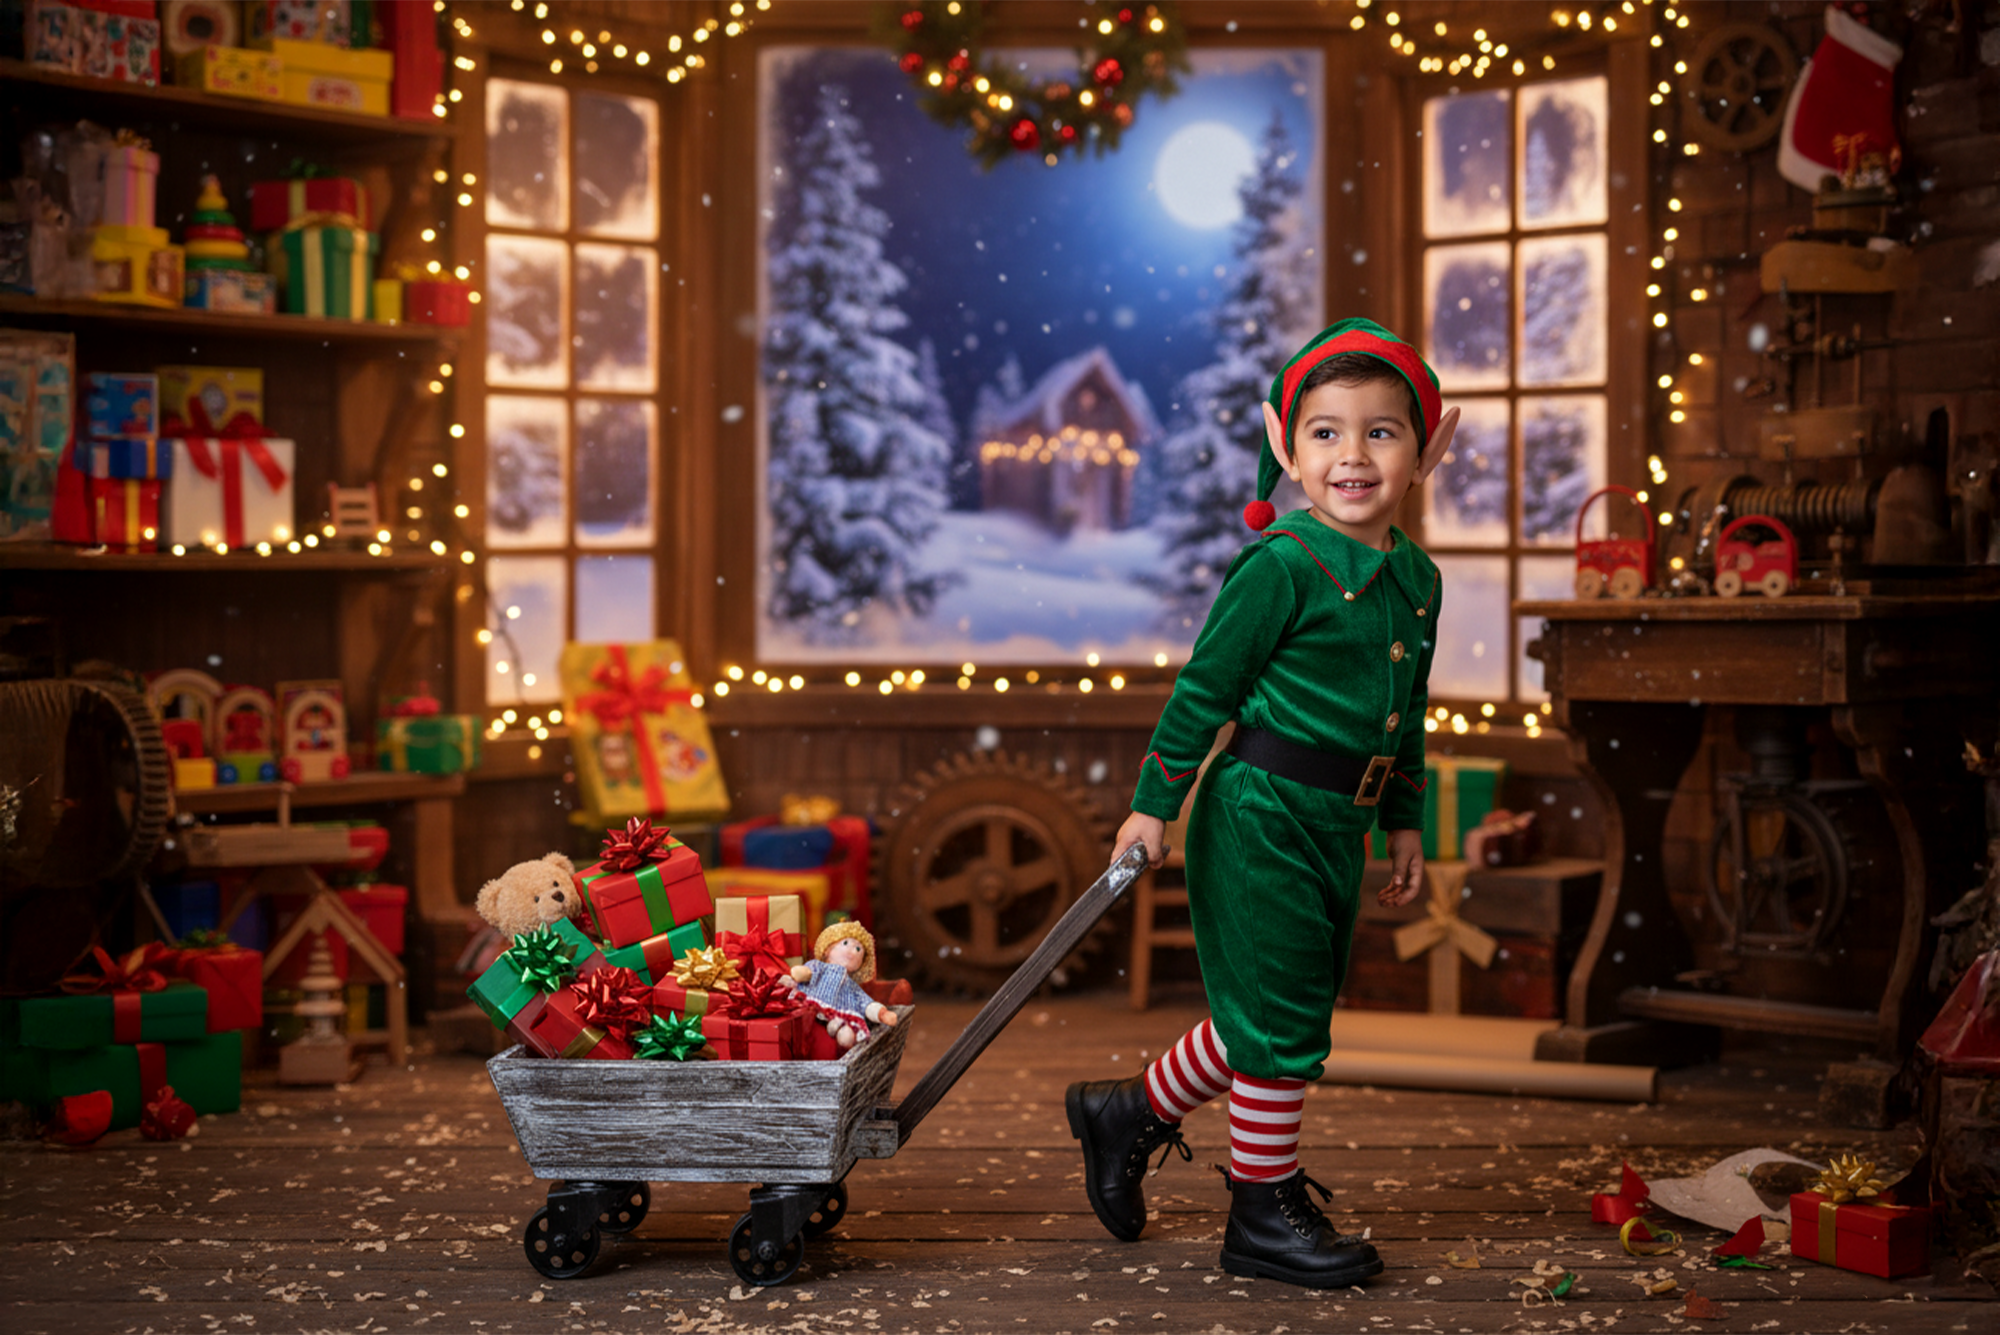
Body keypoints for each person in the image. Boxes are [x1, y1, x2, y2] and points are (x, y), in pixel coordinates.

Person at [1066, 318, 1458, 1289]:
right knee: (1280, 1022)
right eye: (1324, 432)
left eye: (1380, 431)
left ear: (1425, 450)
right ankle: (1259, 1212)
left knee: (1276, 1012)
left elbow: (1402, 715)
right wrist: (1151, 804)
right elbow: (1203, 690)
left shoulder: (1415, 579)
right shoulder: (1281, 565)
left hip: (1339, 821)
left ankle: (1129, 1112)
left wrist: (1405, 819)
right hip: (1259, 813)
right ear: (1285, 449)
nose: (1351, 455)